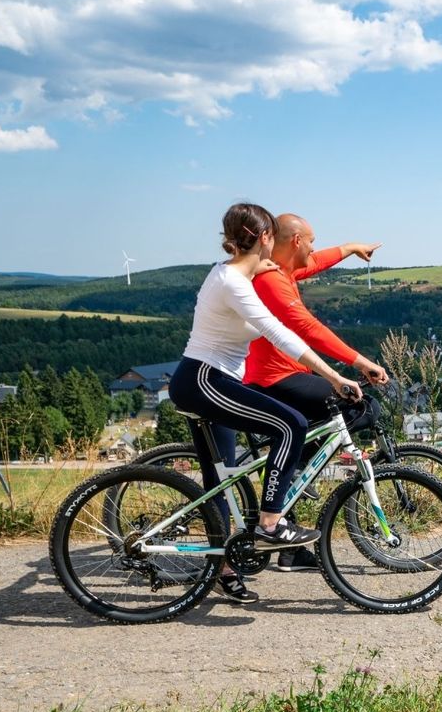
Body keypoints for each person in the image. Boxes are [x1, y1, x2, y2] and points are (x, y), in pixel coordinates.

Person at [167, 203, 361, 603]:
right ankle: (272, 524)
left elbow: (283, 274)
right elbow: (280, 333)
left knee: (222, 477)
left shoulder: (232, 271)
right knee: (290, 424)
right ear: (265, 238)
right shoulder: (235, 285)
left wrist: (267, 267)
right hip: (206, 379)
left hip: (204, 379)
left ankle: (222, 565)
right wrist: (335, 376)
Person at [242, 213, 389, 572]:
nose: (312, 246)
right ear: (294, 242)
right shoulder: (272, 282)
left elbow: (317, 260)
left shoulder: (283, 269)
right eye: (309, 239)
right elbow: (309, 328)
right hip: (272, 380)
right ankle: (295, 474)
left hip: (283, 375)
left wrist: (352, 248)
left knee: (313, 432)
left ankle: (289, 526)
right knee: (364, 406)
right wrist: (359, 362)